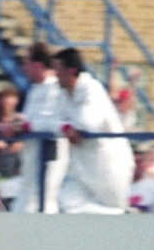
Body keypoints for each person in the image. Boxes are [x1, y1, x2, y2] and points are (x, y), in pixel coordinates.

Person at [54, 47, 134, 213]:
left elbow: (89, 122)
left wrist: (70, 127)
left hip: (110, 166)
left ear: (71, 71)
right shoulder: (63, 94)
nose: (55, 74)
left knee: (114, 211)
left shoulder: (92, 88)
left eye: (58, 69)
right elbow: (53, 120)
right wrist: (66, 128)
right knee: (65, 203)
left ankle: (126, 216)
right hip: (83, 169)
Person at [7, 42, 69, 213]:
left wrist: (22, 125)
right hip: (30, 156)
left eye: (26, 62)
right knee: (24, 204)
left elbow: (49, 122)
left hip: (49, 155)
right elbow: (29, 120)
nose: (24, 67)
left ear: (38, 65)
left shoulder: (56, 88)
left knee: (42, 200)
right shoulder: (34, 89)